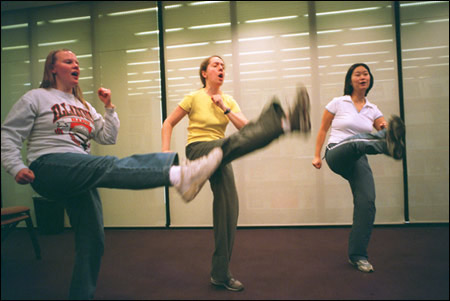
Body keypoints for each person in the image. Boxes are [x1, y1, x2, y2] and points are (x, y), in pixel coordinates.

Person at [0, 49, 224, 300]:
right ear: (53, 68)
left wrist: (109, 108)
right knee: (105, 166)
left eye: (77, 62)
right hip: (47, 166)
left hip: (79, 171)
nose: (76, 65)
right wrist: (15, 166)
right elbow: (8, 134)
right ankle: (177, 175)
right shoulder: (36, 97)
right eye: (68, 61)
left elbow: (108, 137)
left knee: (93, 241)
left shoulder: (82, 105)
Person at [162, 55, 311, 291]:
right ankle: (284, 124)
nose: (220, 68)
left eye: (223, 66)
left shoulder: (227, 99)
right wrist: (166, 155)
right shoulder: (193, 97)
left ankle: (220, 274)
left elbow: (247, 130)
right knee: (229, 144)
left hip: (222, 153)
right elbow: (168, 123)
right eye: (215, 65)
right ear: (204, 73)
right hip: (199, 149)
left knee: (229, 210)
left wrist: (225, 107)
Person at [312, 63, 405, 273]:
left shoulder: (373, 109)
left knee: (367, 202)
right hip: (337, 152)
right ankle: (388, 147)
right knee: (356, 141)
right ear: (350, 80)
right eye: (358, 74)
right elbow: (322, 129)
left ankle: (358, 255)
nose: (362, 77)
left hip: (358, 158)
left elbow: (383, 127)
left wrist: (386, 131)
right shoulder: (338, 102)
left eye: (366, 74)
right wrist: (317, 155)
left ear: (369, 79)